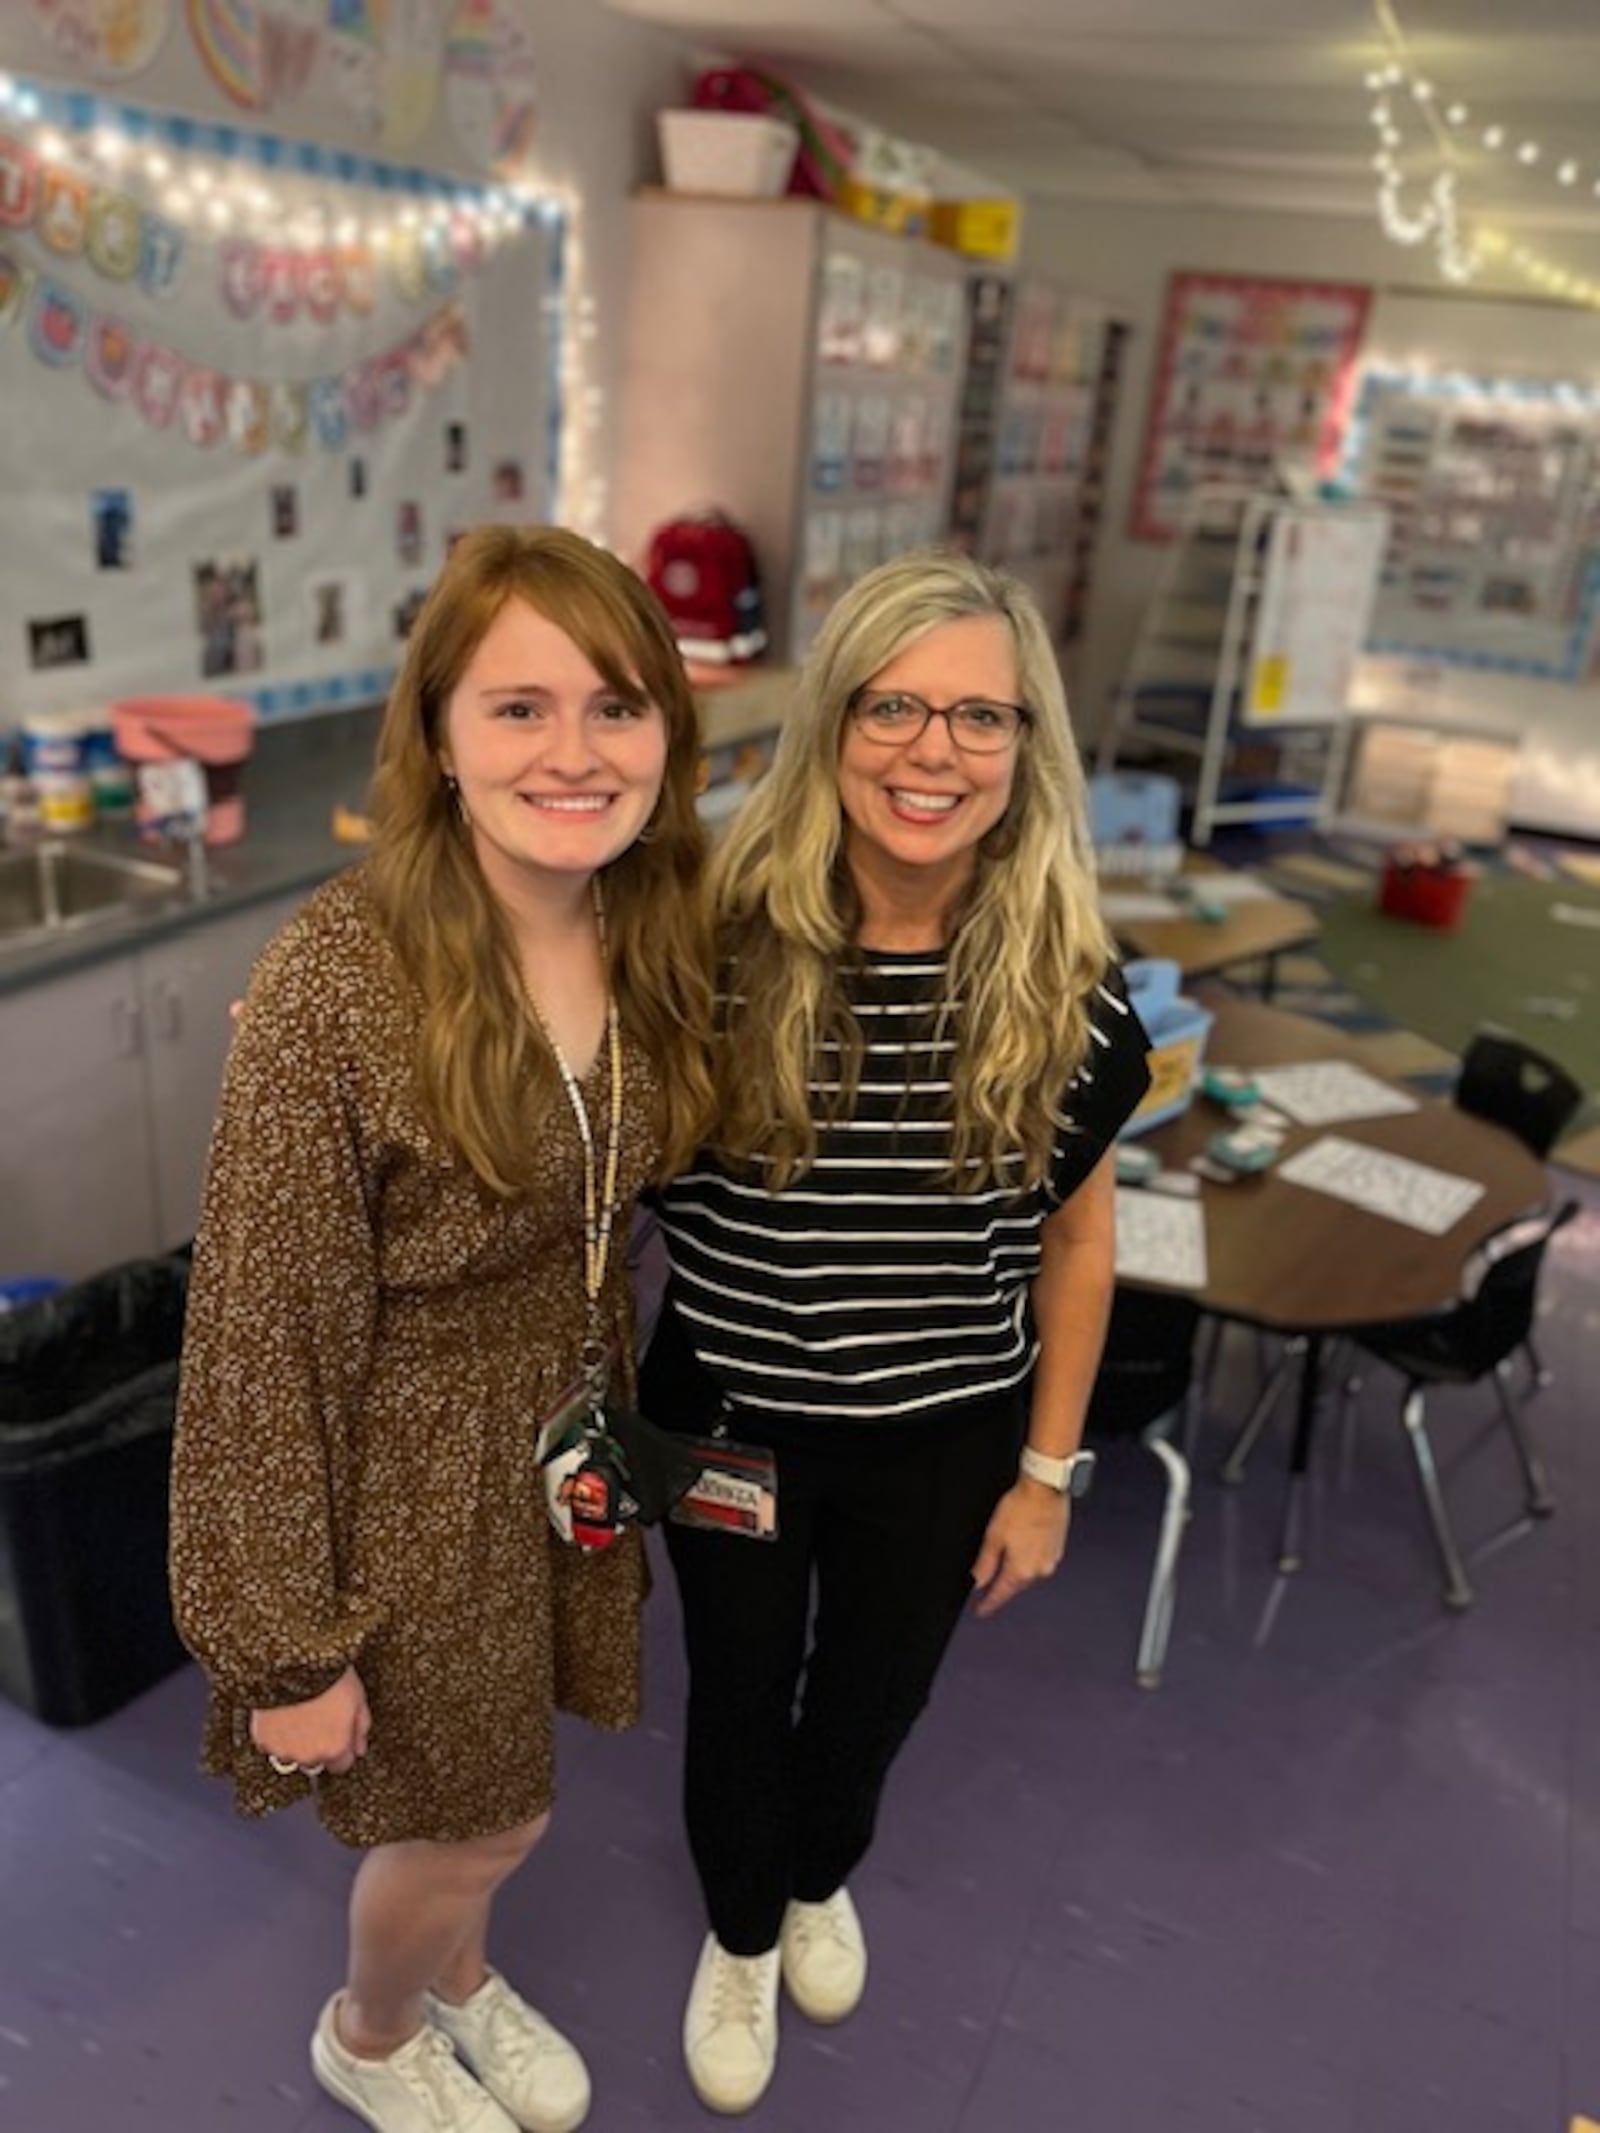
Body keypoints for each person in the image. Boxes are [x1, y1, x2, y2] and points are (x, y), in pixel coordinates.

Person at [169, 525, 714, 2133]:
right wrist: (287, 1642)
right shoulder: (341, 978)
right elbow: (260, 1336)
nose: (574, 752)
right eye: (519, 707)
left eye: (616, 706)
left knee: (493, 1774)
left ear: (668, 734)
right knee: (482, 1819)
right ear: (440, 736)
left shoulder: (650, 923)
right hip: (403, 1473)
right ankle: (377, 2025)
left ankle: (462, 1979)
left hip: (562, 1433)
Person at [639, 547, 1152, 2113]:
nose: (934, 752)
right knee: (734, 1693)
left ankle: (811, 1874)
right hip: (728, 1412)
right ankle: (740, 1929)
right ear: (830, 723)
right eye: (894, 706)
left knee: (871, 1698)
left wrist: (1050, 1472)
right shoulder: (706, 937)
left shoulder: (1069, 982)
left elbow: (1077, 1237)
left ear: (1026, 746)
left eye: (979, 717)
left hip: (943, 1437)